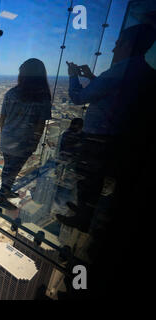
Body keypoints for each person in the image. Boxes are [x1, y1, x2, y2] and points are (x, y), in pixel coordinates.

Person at [57, 24, 156, 232]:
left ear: (129, 45)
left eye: (118, 44)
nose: (113, 49)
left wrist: (73, 75)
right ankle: (86, 210)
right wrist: (93, 77)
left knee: (88, 177)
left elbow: (78, 98)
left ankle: (84, 218)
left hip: (97, 137)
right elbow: (117, 94)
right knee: (96, 178)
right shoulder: (145, 72)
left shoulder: (119, 71)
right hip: (118, 137)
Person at [0, 58, 52, 210]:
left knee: (9, 168)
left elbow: (2, 118)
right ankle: (2, 197)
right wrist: (34, 143)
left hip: (8, 139)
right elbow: (40, 124)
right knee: (12, 169)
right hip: (24, 142)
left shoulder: (11, 93)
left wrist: (5, 134)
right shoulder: (43, 97)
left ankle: (5, 192)